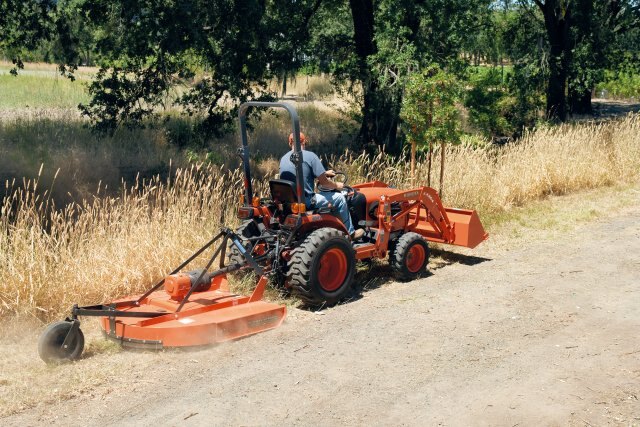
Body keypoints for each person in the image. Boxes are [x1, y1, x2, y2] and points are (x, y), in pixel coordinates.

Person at [279, 132, 365, 240]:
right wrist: (336, 185)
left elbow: (300, 174)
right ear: (305, 141)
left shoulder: (283, 159)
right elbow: (325, 183)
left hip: (290, 202)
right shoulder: (310, 156)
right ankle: (351, 233)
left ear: (289, 143)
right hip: (307, 201)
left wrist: (324, 173)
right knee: (340, 198)